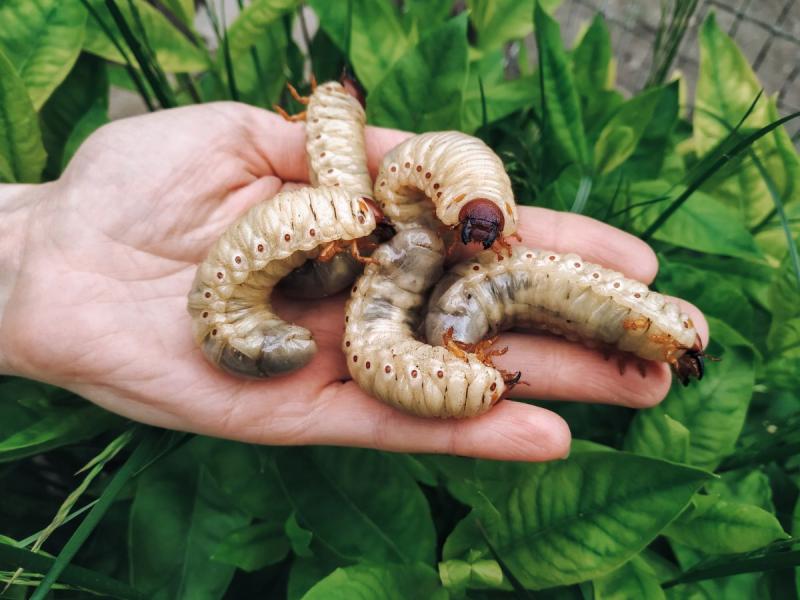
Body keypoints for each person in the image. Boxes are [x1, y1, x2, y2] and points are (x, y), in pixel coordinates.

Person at [0, 103, 707, 462]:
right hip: (360, 270)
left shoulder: (406, 222)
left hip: (380, 263)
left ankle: (654, 332)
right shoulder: (376, 240)